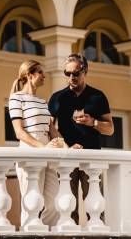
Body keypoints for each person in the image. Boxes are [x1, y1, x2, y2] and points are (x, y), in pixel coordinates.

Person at [8, 60, 76, 227]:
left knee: (53, 203)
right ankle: (29, 238)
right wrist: (43, 147)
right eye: (40, 73)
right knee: (31, 202)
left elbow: (52, 130)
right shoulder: (16, 98)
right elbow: (19, 132)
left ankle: (48, 236)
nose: (44, 76)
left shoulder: (42, 102)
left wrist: (68, 148)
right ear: (29, 75)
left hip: (48, 154)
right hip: (30, 152)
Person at [48, 53, 114, 223]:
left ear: (85, 71)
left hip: (91, 157)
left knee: (95, 205)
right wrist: (63, 146)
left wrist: (93, 122)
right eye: (67, 74)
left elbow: (110, 129)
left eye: (76, 73)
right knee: (68, 206)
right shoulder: (57, 98)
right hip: (66, 157)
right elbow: (50, 128)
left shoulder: (97, 97)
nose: (71, 77)